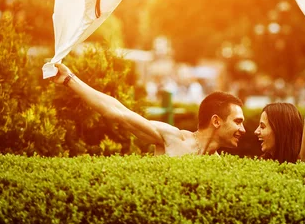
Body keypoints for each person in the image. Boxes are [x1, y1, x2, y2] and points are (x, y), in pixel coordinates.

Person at [52, 63, 245, 156]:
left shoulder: (218, 165)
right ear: (216, 121)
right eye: (238, 121)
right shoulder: (173, 138)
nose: (243, 130)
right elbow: (118, 112)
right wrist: (70, 79)